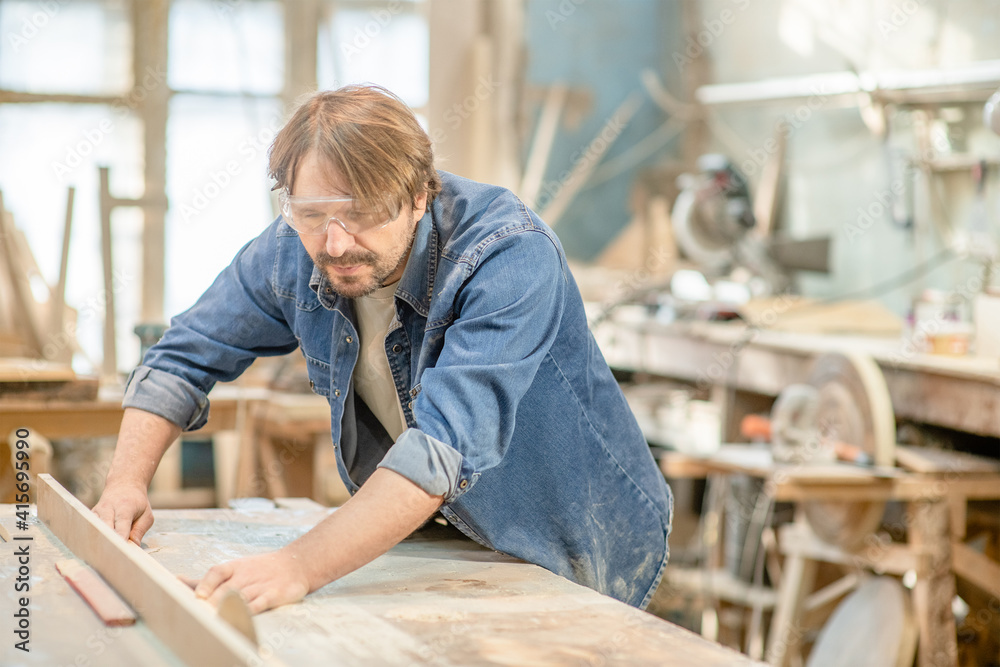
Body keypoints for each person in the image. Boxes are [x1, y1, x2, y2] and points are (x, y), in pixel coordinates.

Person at [93, 84, 673, 614]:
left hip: (574, 540)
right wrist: (125, 483)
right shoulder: (291, 248)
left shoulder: (508, 255)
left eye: (362, 213)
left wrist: (297, 565)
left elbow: (442, 449)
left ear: (419, 196)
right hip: (441, 534)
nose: (335, 242)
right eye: (312, 214)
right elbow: (180, 357)